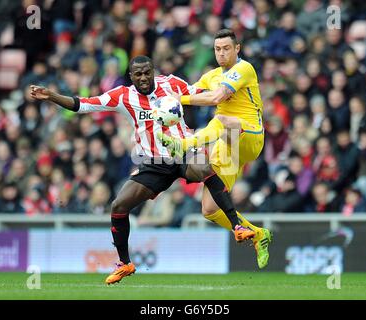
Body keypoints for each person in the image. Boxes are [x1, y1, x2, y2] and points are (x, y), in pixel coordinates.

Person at [30, 55, 261, 285]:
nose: (143, 78)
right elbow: (82, 105)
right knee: (119, 206)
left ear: (153, 71)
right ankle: (125, 263)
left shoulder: (171, 83)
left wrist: (232, 99)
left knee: (204, 167)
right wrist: (51, 96)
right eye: (138, 74)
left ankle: (237, 226)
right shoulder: (122, 95)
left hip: (182, 150)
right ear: (131, 76)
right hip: (154, 163)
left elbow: (203, 95)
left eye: (147, 72)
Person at [159, 29, 272, 269]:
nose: (221, 53)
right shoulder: (211, 76)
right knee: (210, 209)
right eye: (217, 49)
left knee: (222, 119)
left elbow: (216, 98)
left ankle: (185, 145)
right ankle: (258, 234)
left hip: (250, 136)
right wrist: (162, 94)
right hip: (227, 144)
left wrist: (179, 100)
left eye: (226, 48)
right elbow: (188, 91)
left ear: (237, 49)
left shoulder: (244, 69)